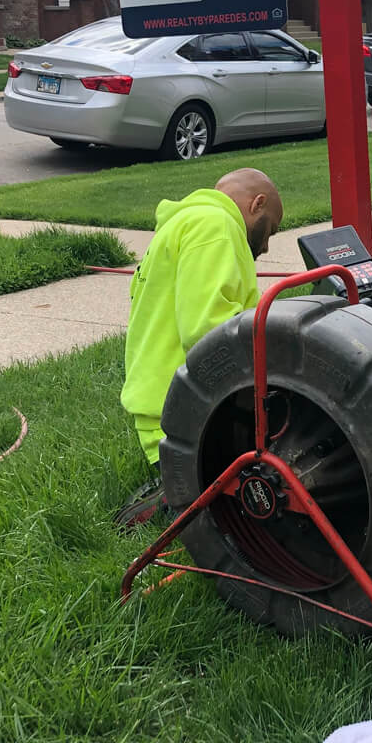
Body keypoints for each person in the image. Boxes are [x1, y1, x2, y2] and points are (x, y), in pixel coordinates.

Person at [114, 168, 284, 529]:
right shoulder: (214, 224)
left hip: (163, 401)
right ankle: (175, 492)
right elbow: (207, 329)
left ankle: (183, 483)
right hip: (186, 415)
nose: (266, 245)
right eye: (269, 228)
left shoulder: (186, 223)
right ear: (257, 204)